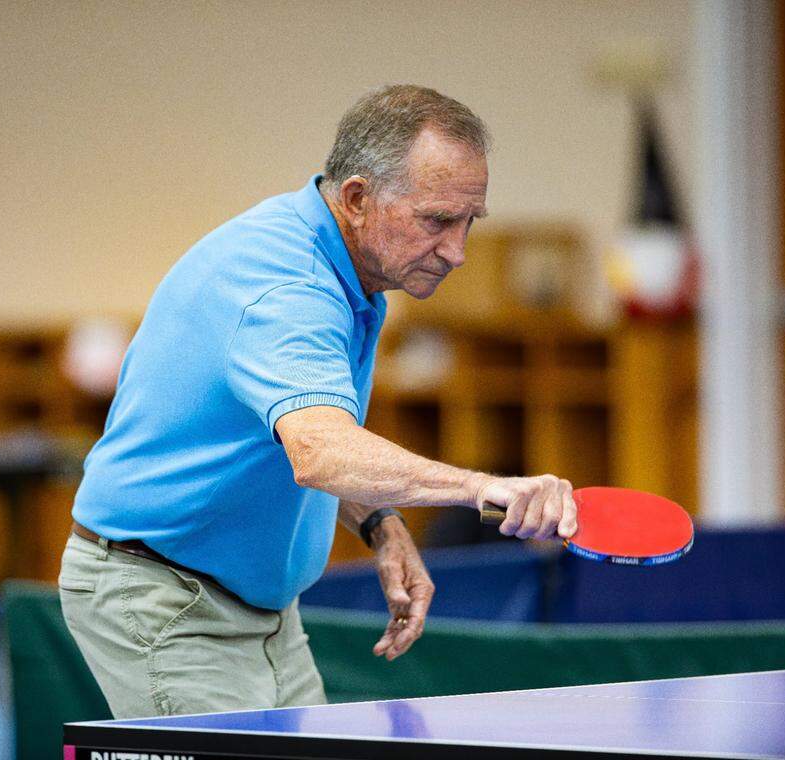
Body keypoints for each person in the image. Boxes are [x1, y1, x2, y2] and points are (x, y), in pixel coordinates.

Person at [59, 84, 577, 719]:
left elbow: (291, 436)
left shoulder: (356, 277)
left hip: (263, 610)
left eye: (470, 220)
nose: (458, 251)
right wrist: (481, 488)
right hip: (166, 597)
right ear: (358, 199)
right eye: (438, 220)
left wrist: (378, 522)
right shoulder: (287, 288)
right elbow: (318, 450)